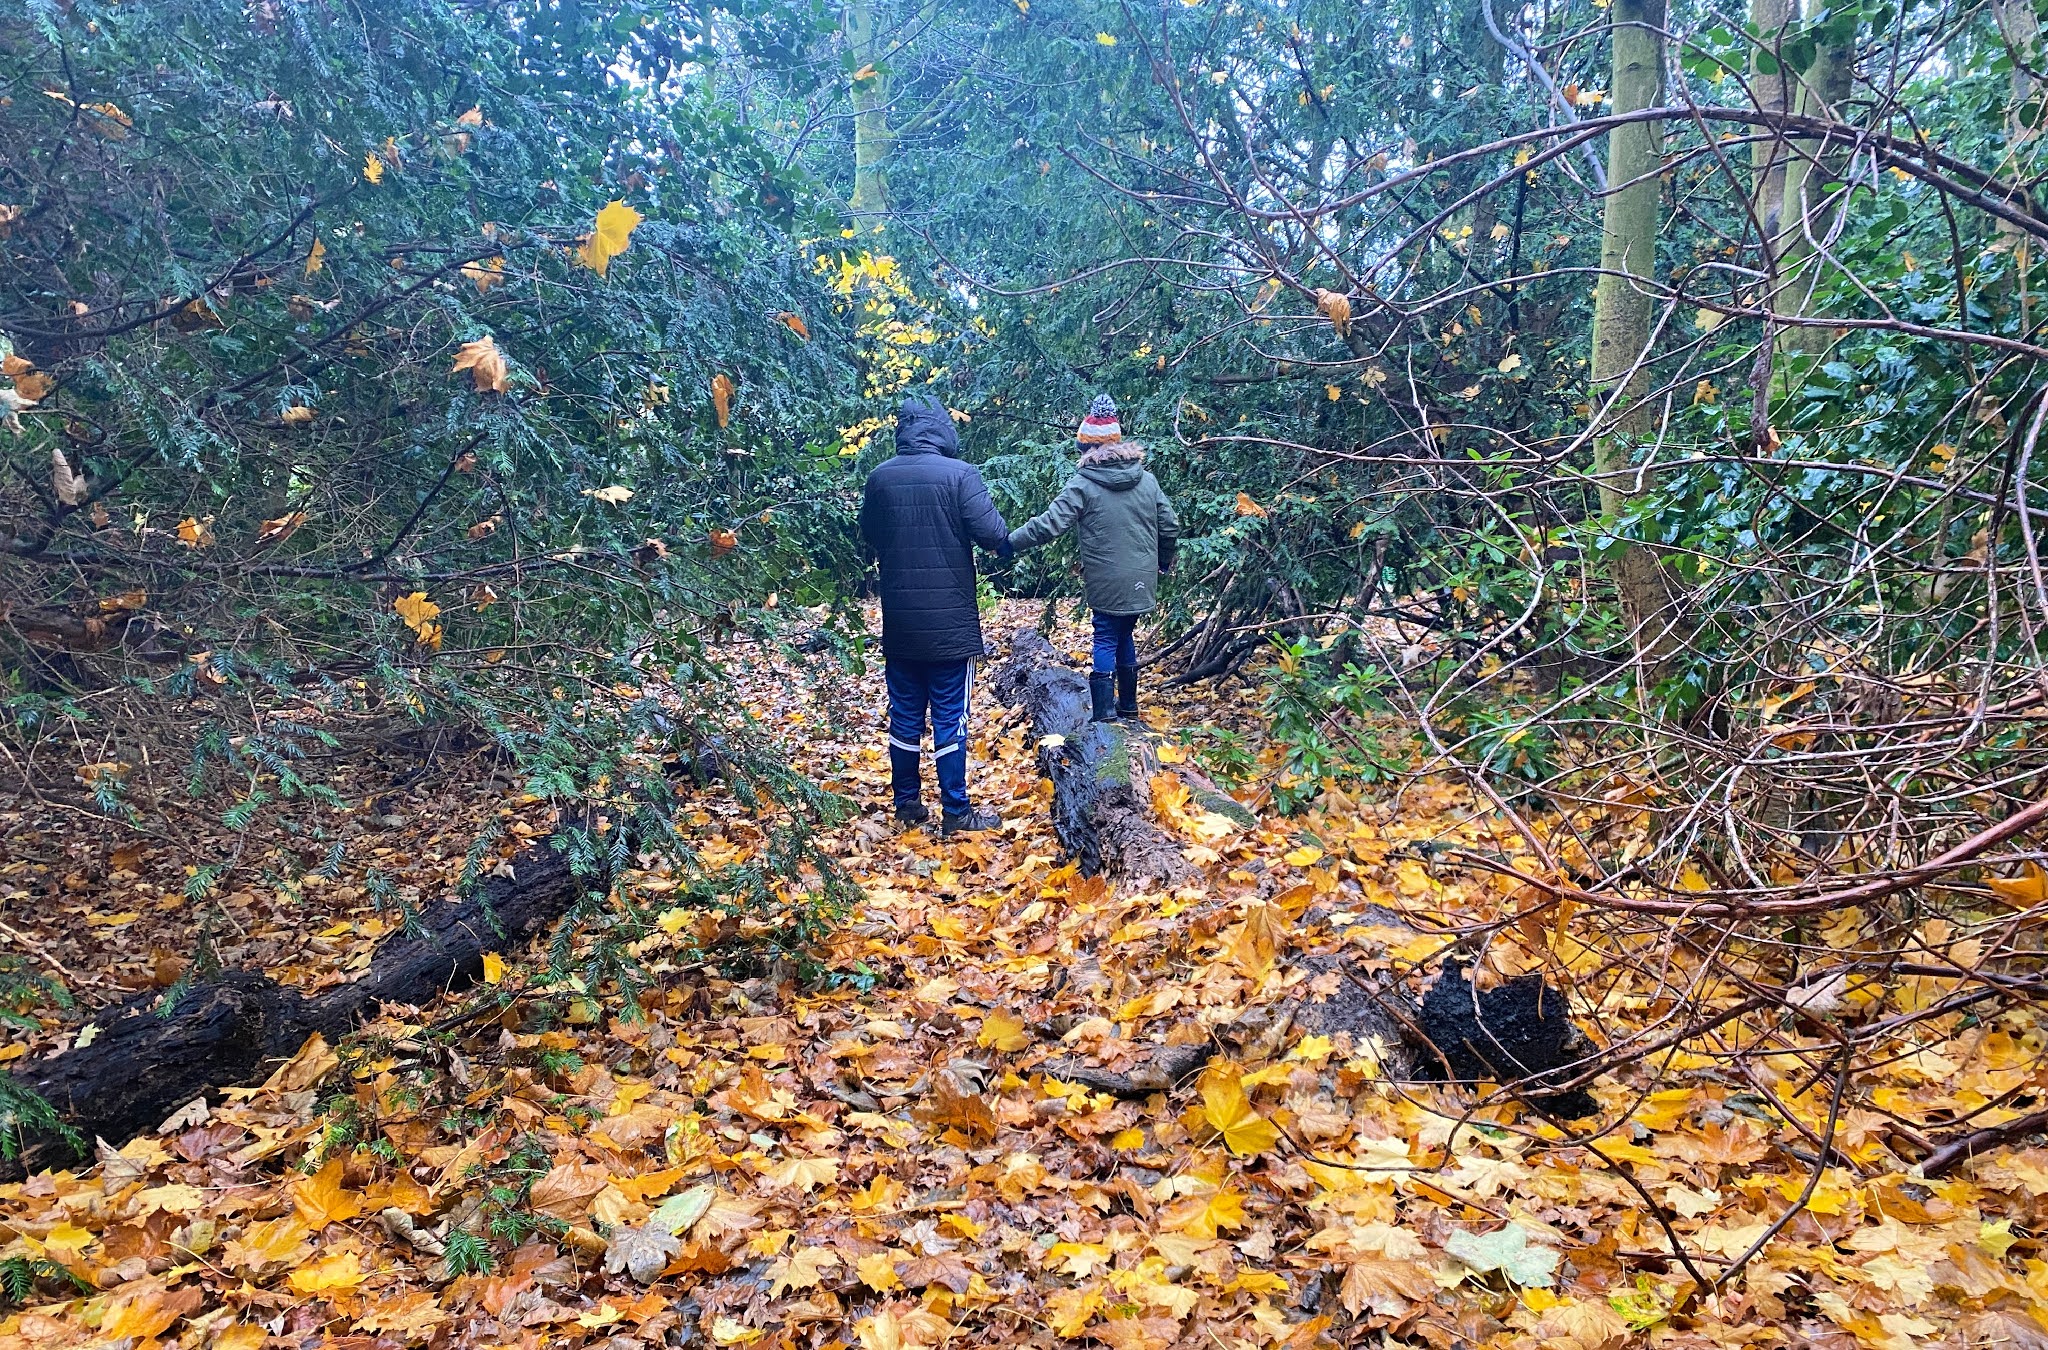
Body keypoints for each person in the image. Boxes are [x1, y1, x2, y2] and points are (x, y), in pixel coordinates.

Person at [859, 392, 1011, 835]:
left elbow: (870, 533)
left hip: (901, 622)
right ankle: (957, 811)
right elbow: (993, 534)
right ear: (942, 428)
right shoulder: (961, 475)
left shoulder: (880, 478)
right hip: (951, 625)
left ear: (903, 430)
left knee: (904, 714)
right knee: (950, 716)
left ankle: (907, 804)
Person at [1007, 395, 1181, 722]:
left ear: (1087, 449)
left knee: (1104, 635)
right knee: (1124, 633)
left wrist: (1008, 543)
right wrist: (1163, 561)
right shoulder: (1146, 480)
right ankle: (1128, 706)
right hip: (1142, 577)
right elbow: (1170, 524)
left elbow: (1049, 524)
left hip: (1105, 579)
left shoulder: (1082, 484)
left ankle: (1103, 714)